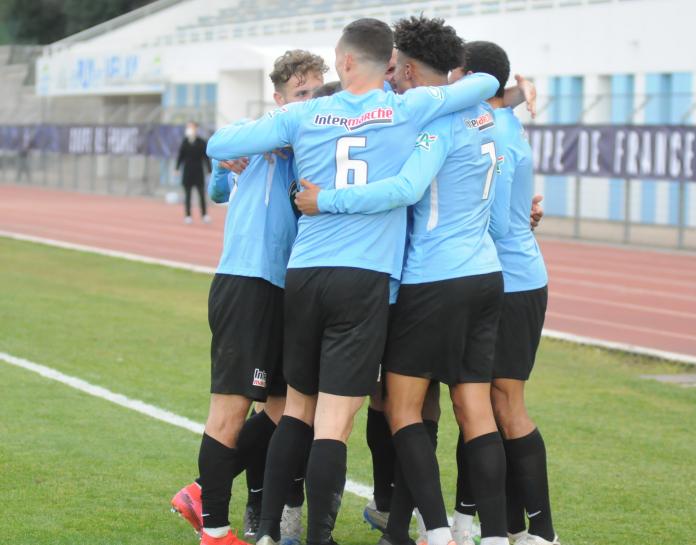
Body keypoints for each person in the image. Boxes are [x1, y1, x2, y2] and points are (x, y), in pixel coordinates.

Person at [207, 17, 499, 545]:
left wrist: (230, 153)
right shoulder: (408, 107)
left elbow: (221, 140)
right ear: (388, 64)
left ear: (342, 62)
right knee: (334, 423)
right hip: (364, 279)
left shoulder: (305, 112)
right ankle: (319, 538)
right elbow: (484, 85)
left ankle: (271, 531)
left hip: (305, 272)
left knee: (295, 408)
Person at [295, 15, 510, 545]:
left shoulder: (432, 123)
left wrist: (326, 200)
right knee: (474, 409)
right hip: (487, 272)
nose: (390, 79)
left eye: (395, 70)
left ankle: (431, 530)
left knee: (402, 408)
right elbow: (492, 86)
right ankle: (493, 533)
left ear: (409, 68)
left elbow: (408, 189)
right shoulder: (484, 113)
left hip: (433, 278)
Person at [170, 50, 328, 545]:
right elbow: (221, 168)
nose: (311, 102)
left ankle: (202, 490)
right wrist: (222, 161)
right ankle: (215, 528)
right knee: (232, 407)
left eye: (317, 92)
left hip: (287, 287)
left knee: (286, 411)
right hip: (247, 282)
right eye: (302, 94)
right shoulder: (262, 133)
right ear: (280, 99)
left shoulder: (313, 138)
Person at [448, 42, 558, 545]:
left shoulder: (494, 135)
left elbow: (489, 217)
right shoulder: (503, 121)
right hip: (514, 275)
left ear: (471, 79)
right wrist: (519, 88)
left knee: (503, 405)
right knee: (481, 404)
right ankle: (498, 523)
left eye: (457, 75)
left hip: (509, 279)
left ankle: (540, 531)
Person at [176, 121, 211, 224]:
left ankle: (204, 214)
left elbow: (205, 157)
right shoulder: (185, 142)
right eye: (188, 127)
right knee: (187, 195)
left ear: (196, 129)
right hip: (187, 172)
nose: (190, 129)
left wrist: (209, 170)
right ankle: (188, 215)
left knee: (201, 194)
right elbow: (180, 156)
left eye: (192, 127)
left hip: (198, 172)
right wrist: (177, 168)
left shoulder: (201, 142)